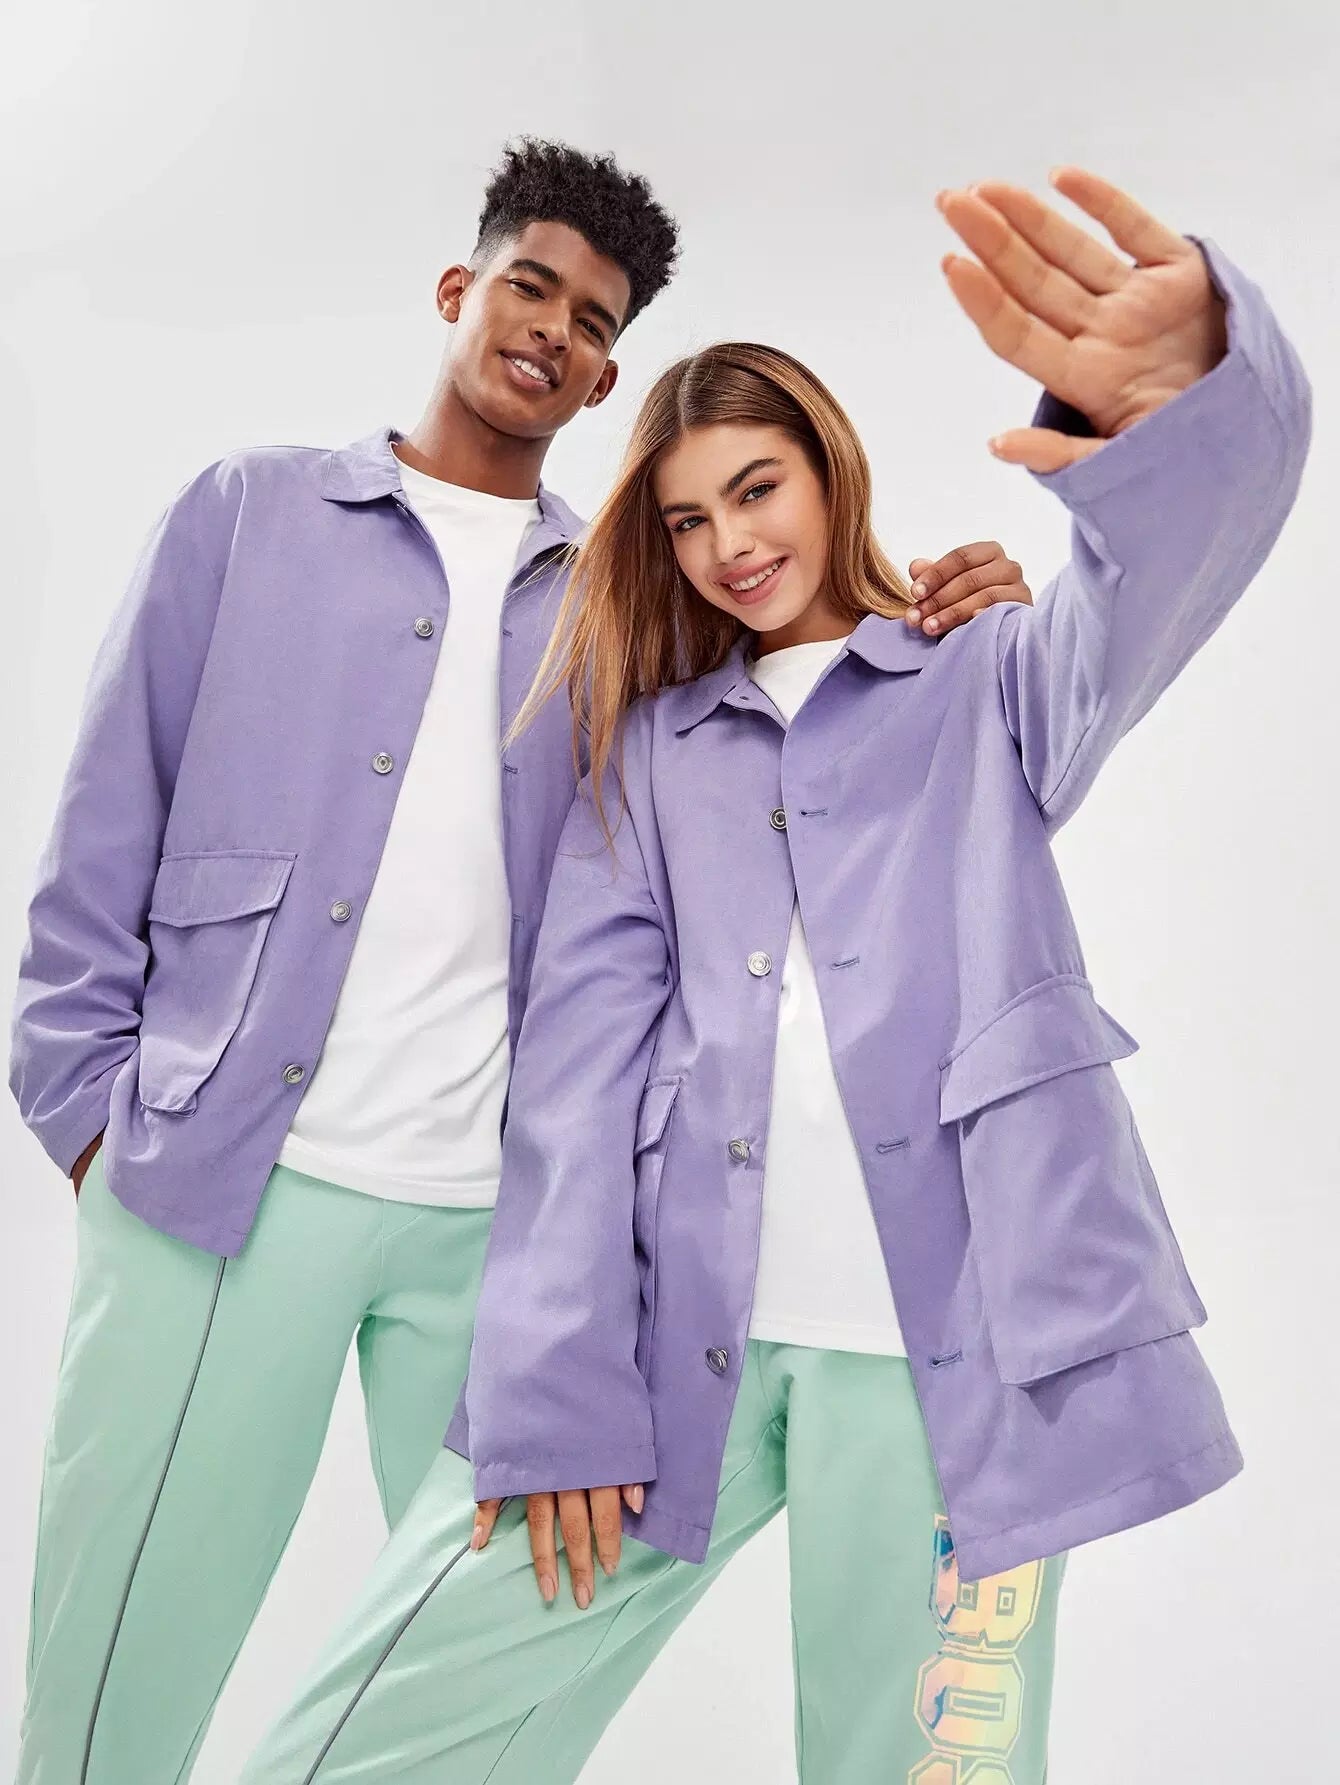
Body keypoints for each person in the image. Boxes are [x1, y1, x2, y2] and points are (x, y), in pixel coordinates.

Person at [236, 168, 1309, 1784]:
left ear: (829, 470)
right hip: (676, 1351)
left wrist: (1186, 411)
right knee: (381, 1719)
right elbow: (577, 1081)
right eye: (688, 518)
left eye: (757, 489)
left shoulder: (982, 677)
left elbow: (1150, 592)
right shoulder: (648, 754)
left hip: (955, 1369)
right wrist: (554, 1378)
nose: (731, 544)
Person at [7, 138, 1027, 1783]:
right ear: (457, 290)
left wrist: (945, 611)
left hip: (496, 1238)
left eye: (591, 319)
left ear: (609, 373)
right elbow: (103, 818)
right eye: (528, 286)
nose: (551, 327)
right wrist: (91, 1121)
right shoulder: (252, 512)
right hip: (223, 1186)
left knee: (478, 1696)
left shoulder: (627, 599)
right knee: (114, 1674)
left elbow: (794, 712)